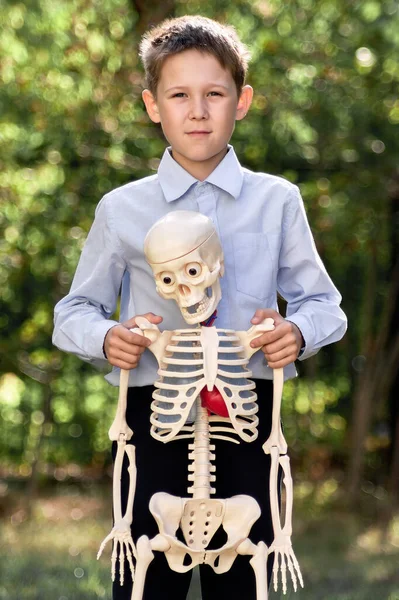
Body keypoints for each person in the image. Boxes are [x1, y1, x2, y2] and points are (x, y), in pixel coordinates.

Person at [53, 15, 347, 600]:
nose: (198, 110)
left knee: (244, 580)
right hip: (150, 413)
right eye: (179, 95)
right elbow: (74, 310)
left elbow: (325, 304)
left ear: (242, 101)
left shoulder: (277, 201)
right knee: (143, 579)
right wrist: (107, 337)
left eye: (215, 93)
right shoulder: (121, 209)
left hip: (250, 417)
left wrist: (298, 331)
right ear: (151, 104)